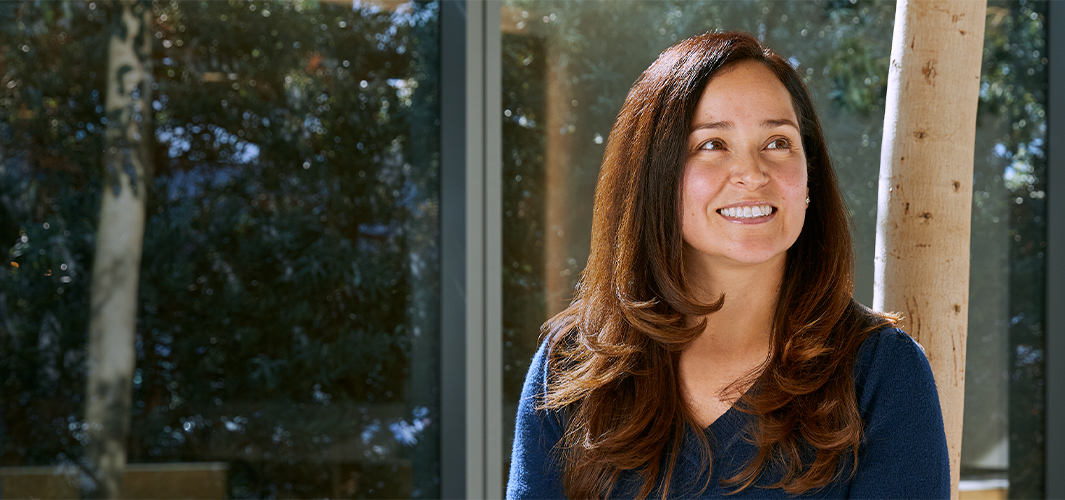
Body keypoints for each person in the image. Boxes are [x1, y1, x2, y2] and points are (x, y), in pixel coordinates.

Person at [506, 31, 950, 499]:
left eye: (778, 142)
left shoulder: (883, 372)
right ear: (656, 176)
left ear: (808, 177)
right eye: (712, 145)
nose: (753, 173)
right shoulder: (574, 365)